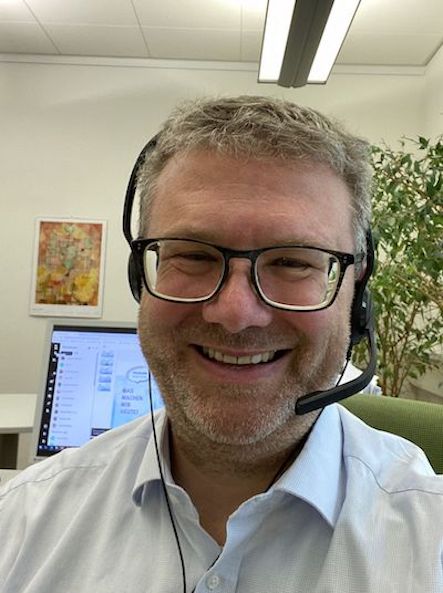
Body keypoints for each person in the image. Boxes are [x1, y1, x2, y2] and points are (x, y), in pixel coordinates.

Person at [1, 96, 442, 593]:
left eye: (292, 262)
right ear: (141, 277)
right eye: (193, 255)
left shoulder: (431, 544)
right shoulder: (22, 526)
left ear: (355, 294)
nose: (235, 314)